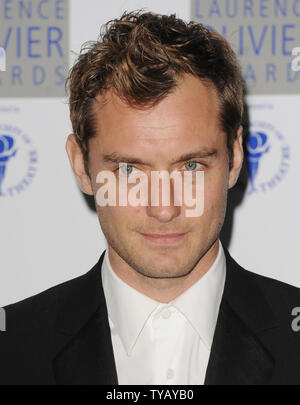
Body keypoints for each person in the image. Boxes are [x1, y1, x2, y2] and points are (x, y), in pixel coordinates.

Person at [1, 10, 299, 385]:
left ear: (235, 157)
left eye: (191, 167)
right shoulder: (12, 347)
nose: (163, 208)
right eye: (129, 170)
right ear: (81, 166)